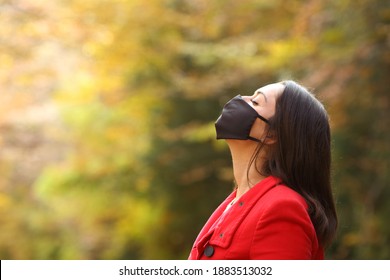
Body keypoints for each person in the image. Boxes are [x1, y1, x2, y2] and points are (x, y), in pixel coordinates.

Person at [188, 80, 338, 260]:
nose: (241, 98)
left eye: (255, 101)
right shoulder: (234, 202)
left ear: (272, 134)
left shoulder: (281, 208)